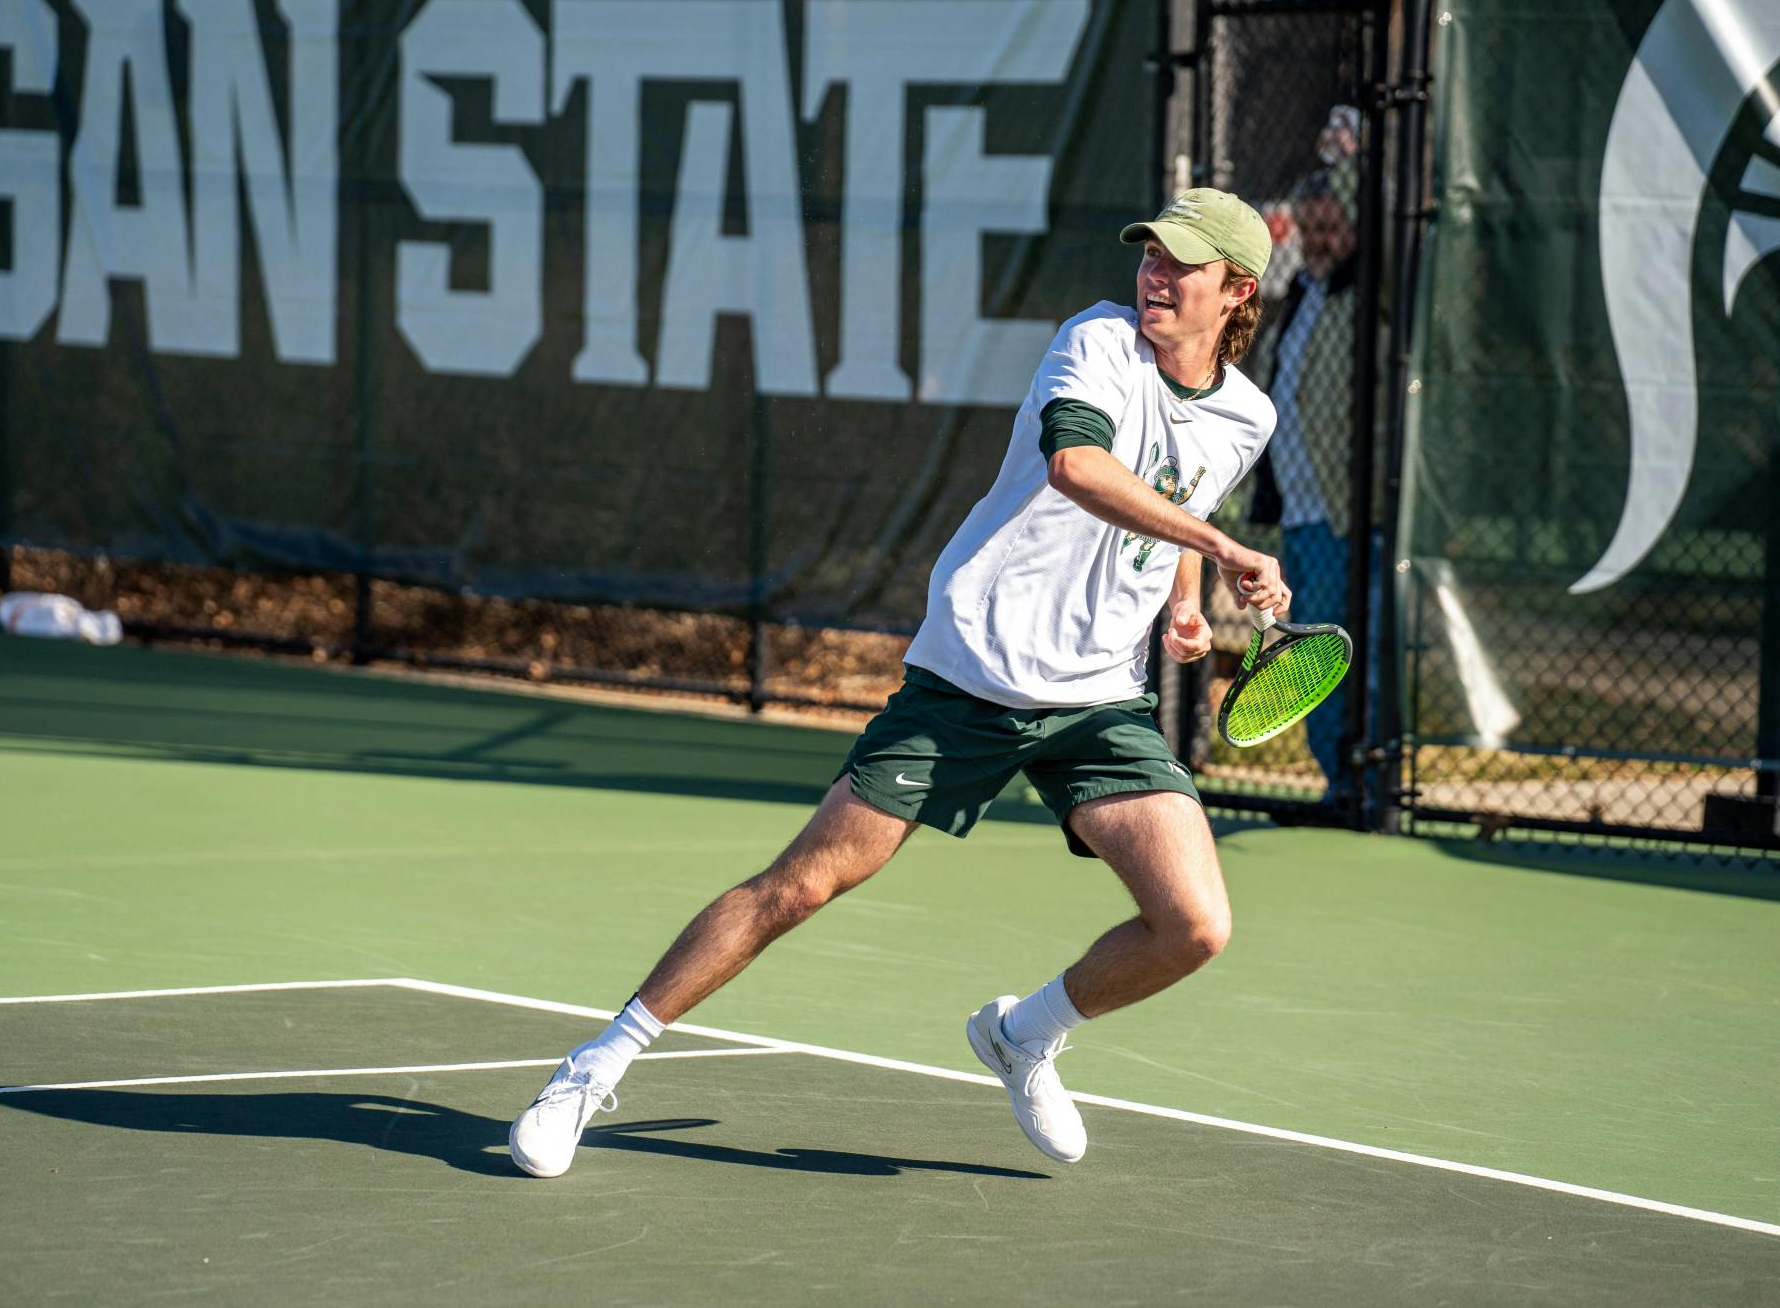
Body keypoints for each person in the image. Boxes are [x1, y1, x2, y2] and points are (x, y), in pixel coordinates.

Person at [510, 188, 1290, 1178]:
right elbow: (1077, 467)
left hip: (1097, 698)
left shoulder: (1245, 414)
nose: (1153, 274)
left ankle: (1023, 1033)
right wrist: (1218, 550)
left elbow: (1180, 493)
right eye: (1149, 254)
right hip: (974, 671)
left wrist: (1183, 598)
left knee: (1195, 925)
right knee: (798, 885)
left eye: (1179, 264)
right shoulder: (1095, 341)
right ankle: (592, 1064)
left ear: (1236, 291)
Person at [1246, 167, 1375, 803]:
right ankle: (1337, 783)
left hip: (1342, 514)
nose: (1321, 241)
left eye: (1333, 227)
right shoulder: (1303, 290)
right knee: (1312, 653)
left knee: (1340, 652)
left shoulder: (1370, 296)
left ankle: (1359, 786)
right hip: (1299, 511)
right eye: (1312, 228)